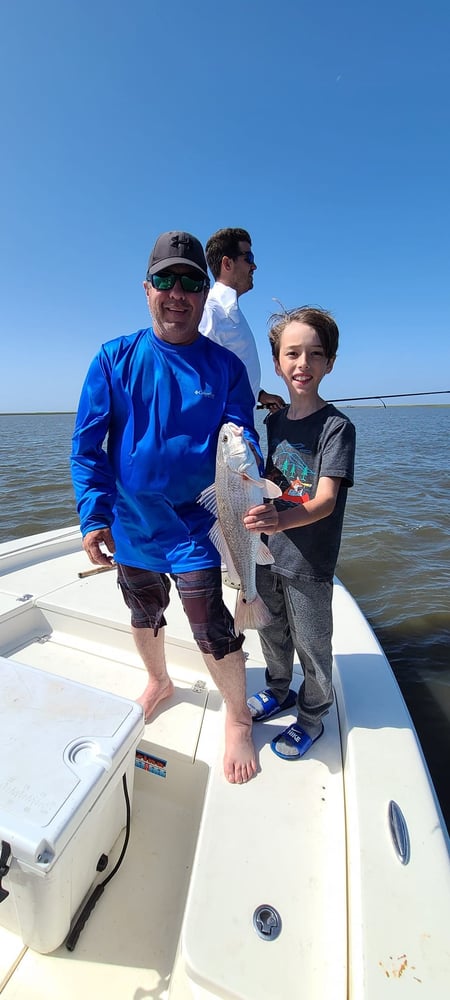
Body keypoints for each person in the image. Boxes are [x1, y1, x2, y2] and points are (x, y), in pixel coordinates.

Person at [71, 230, 260, 785]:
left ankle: (239, 714)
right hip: (131, 526)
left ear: (204, 293)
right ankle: (159, 681)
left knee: (211, 626)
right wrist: (94, 516)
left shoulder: (225, 368)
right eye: (165, 280)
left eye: (191, 282)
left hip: (200, 525)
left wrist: (245, 446)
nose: (177, 293)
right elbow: (86, 447)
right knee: (143, 611)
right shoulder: (113, 359)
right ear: (147, 289)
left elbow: (242, 438)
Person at [243, 306, 356, 759]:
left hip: (309, 560)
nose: (302, 364)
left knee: (312, 642)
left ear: (329, 363)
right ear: (277, 363)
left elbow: (325, 500)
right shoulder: (272, 422)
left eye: (314, 354)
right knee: (270, 630)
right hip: (267, 552)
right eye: (292, 354)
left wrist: (280, 519)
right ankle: (278, 687)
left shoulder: (337, 428)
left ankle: (312, 716)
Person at [199, 227, 285, 412]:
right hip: (222, 432)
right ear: (227, 264)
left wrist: (259, 394)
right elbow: (198, 381)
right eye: (249, 258)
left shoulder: (230, 311)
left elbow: (228, 371)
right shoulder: (210, 311)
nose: (254, 266)